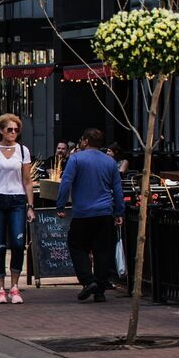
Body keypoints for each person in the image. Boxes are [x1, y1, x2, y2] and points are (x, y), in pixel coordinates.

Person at [56, 128, 124, 303]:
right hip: (104, 212)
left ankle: (88, 280)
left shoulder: (76, 159)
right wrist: (119, 211)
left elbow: (66, 183)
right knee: (103, 251)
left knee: (77, 246)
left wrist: (60, 205)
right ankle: (100, 290)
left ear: (86, 141)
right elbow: (117, 188)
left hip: (82, 213)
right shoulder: (109, 162)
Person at [0, 113, 35, 304]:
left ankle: (15, 286)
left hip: (17, 200)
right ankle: (0, 288)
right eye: (9, 129)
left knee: (18, 244)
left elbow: (27, 180)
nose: (13, 133)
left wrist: (30, 206)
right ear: (1, 130)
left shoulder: (23, 150)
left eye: (16, 130)